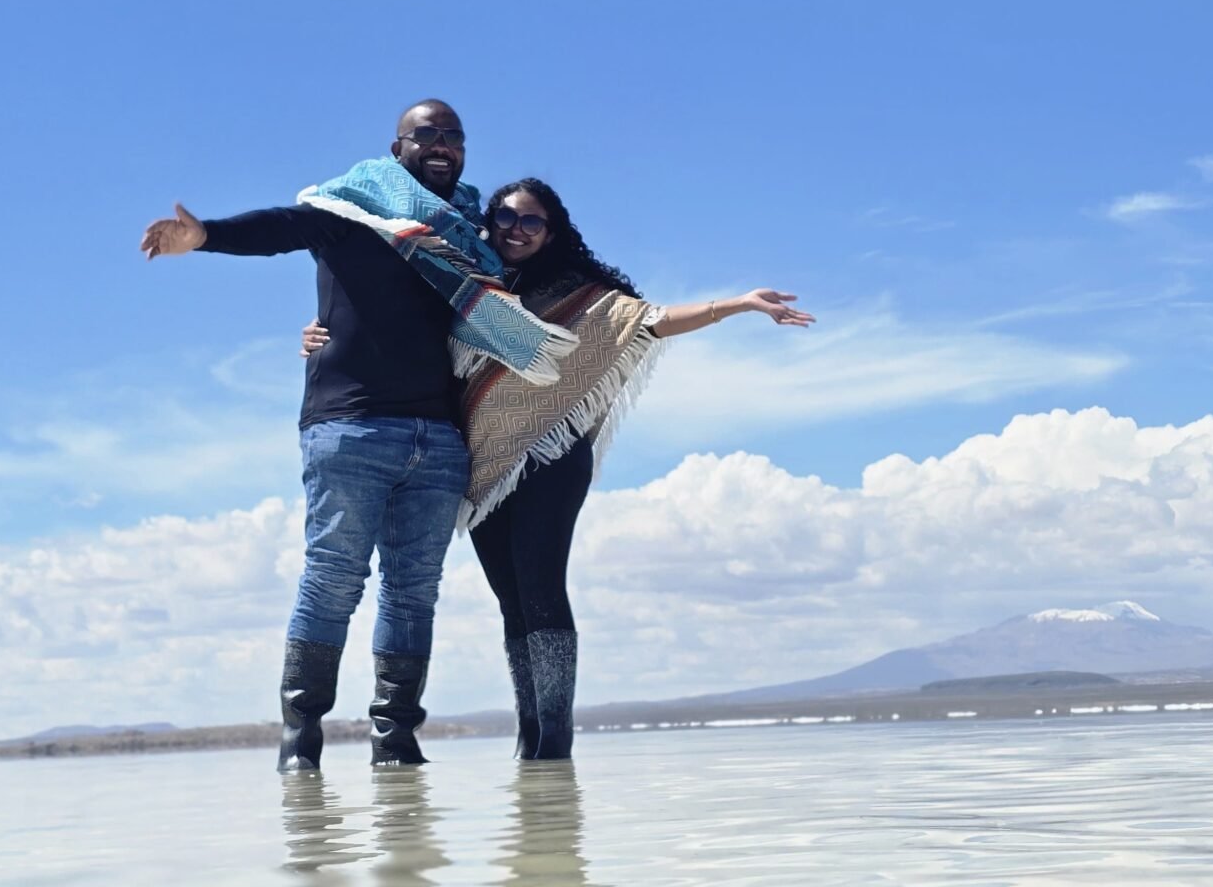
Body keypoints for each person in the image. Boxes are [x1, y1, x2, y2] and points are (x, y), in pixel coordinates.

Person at [306, 176, 812, 760]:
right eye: (506, 218)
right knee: (511, 602)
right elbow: (393, 326)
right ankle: (532, 736)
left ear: (552, 231)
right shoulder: (469, 285)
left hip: (550, 455)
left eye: (531, 221)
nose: (517, 230)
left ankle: (555, 741)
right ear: (488, 224)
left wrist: (738, 305)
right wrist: (322, 333)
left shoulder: (582, 295)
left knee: (542, 588)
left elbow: (652, 319)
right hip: (484, 463)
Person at [139, 101, 570, 774]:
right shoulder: (354, 211)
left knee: (413, 591)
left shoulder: (464, 244)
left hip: (438, 437)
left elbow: (524, 311)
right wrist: (206, 237)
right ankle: (300, 737)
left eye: (453, 136)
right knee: (334, 580)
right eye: (426, 134)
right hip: (351, 428)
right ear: (397, 145)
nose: (442, 145)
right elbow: (284, 227)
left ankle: (395, 739)